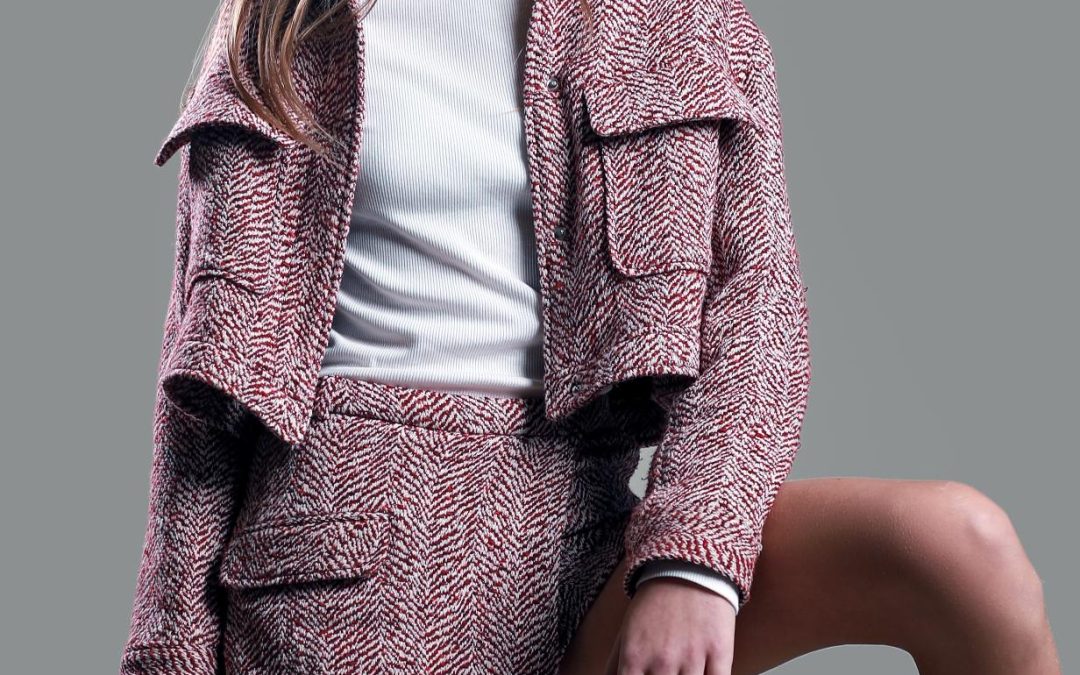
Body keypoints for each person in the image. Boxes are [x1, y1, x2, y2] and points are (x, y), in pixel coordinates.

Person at [119, 0, 1062, 673]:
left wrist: (696, 563)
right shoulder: (281, 27)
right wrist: (168, 652)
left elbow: (757, 312)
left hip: (588, 547)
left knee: (956, 549)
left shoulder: (677, 19)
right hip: (331, 578)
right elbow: (203, 390)